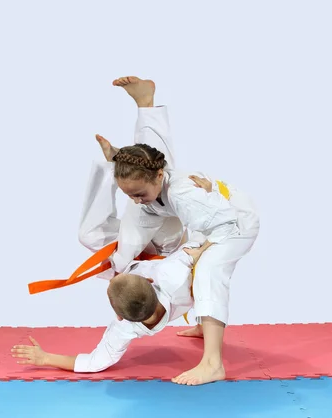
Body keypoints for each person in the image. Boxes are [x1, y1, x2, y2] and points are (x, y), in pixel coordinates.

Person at [102, 76, 261, 385]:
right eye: (128, 195)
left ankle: (213, 363)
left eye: (138, 193)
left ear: (159, 177)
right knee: (126, 252)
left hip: (234, 224)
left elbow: (221, 225)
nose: (133, 201)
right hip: (180, 208)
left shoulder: (184, 194)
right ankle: (146, 105)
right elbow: (150, 166)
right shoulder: (155, 178)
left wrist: (198, 250)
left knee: (208, 272)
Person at [11, 157, 214, 378]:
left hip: (139, 253)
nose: (114, 276)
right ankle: (151, 168)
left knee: (88, 235)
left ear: (119, 316)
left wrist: (45, 358)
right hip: (167, 244)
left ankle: (111, 168)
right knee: (144, 199)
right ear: (149, 280)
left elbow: (94, 362)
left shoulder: (126, 328)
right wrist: (205, 193)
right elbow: (200, 239)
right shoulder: (171, 276)